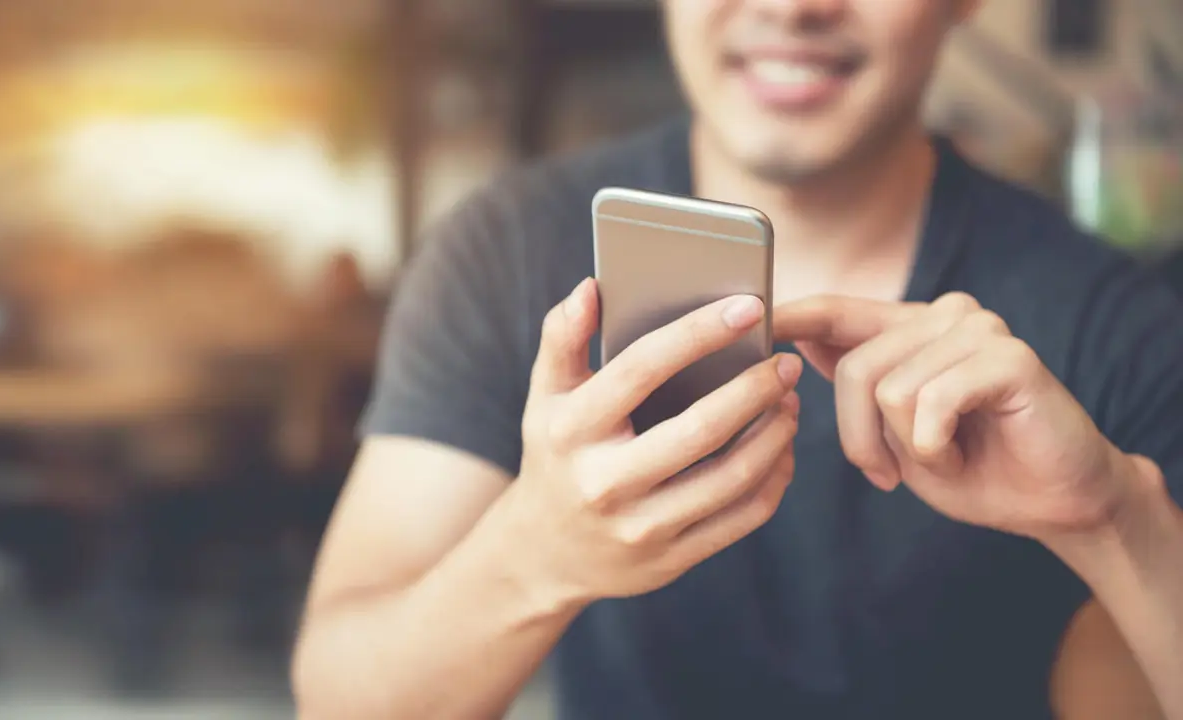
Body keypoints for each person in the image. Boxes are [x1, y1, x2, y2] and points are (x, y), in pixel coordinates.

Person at [292, 2, 1183, 718]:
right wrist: (534, 558)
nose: (794, 8)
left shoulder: (1114, 322)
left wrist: (1114, 519)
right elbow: (340, 700)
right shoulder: (502, 253)